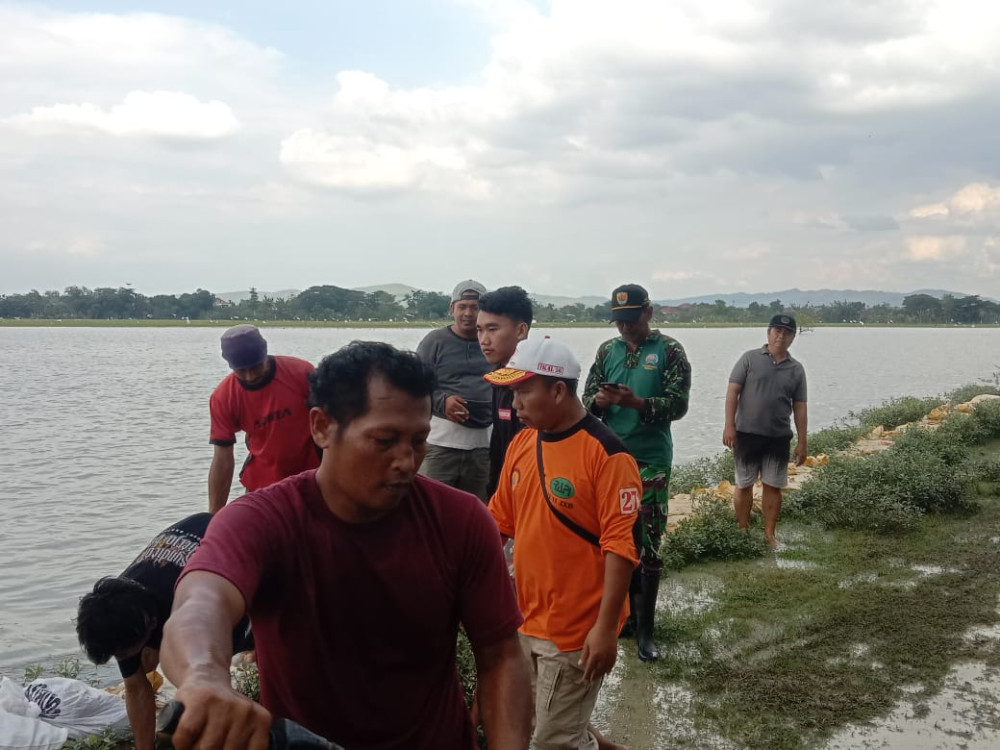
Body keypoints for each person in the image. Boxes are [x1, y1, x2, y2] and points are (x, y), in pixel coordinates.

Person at [161, 341, 532, 750]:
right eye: (385, 440)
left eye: (419, 440)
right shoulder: (261, 520)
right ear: (321, 426)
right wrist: (204, 676)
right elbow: (200, 602)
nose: (408, 461)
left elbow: (500, 656)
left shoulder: (462, 520)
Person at [486, 336, 639, 750]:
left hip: (576, 627)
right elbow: (499, 522)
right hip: (526, 615)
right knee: (539, 718)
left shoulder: (607, 455)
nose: (514, 403)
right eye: (511, 391)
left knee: (553, 740)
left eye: (522, 391)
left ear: (557, 390)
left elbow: (621, 548)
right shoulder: (522, 443)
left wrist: (605, 630)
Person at [75, 514, 253, 750]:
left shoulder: (189, 606)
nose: (122, 657)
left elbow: (214, 684)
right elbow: (136, 688)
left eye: (125, 651)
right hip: (197, 536)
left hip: (246, 544)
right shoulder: (114, 609)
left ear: (151, 624)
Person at [583, 283, 691, 662]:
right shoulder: (606, 351)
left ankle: (646, 631)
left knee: (647, 542)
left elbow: (678, 405)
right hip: (609, 460)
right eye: (619, 321)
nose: (625, 328)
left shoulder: (670, 351)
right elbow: (584, 402)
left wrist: (638, 403)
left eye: (631, 320)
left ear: (648, 312)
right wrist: (597, 401)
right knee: (613, 542)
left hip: (650, 460)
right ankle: (623, 619)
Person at [207, 324, 320, 513]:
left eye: (255, 367)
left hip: (315, 477)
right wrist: (213, 516)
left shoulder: (301, 373)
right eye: (241, 370)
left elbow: (334, 423)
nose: (250, 376)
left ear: (265, 353)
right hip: (263, 485)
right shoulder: (223, 397)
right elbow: (223, 460)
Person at [723, 313, 808, 546]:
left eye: (787, 332)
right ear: (768, 333)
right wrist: (729, 425)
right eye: (777, 330)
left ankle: (770, 535)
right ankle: (743, 532)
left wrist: (802, 442)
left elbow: (800, 407)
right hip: (746, 434)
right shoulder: (749, 359)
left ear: (792, 337)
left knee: (773, 485)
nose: (781, 335)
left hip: (778, 437)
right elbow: (732, 392)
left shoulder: (796, 370)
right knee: (744, 483)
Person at [416, 280, 494, 501]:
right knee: (431, 507)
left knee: (478, 512)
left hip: (483, 447)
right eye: (462, 306)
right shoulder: (435, 341)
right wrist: (442, 401)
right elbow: (414, 385)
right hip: (440, 446)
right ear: (452, 309)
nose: (468, 313)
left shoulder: (493, 341)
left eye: (475, 307)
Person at [476, 285, 534, 498]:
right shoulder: (499, 374)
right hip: (504, 491)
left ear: (521, 330)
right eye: (479, 330)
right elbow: (499, 444)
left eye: (492, 329)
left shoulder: (537, 381)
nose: (484, 340)